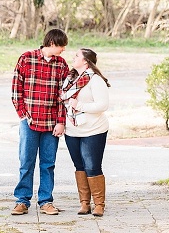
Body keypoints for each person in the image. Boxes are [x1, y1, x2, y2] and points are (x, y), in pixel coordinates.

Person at [11, 28, 70, 216]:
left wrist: (61, 122)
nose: (63, 50)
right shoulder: (26, 59)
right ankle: (22, 200)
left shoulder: (61, 65)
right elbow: (16, 89)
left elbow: (64, 96)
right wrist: (23, 114)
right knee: (26, 162)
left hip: (51, 123)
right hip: (29, 122)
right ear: (52, 43)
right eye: (62, 46)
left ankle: (46, 201)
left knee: (48, 163)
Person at [61, 48, 110, 217]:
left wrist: (79, 106)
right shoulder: (69, 79)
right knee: (79, 166)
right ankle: (84, 203)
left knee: (92, 166)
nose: (73, 58)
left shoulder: (95, 81)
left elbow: (102, 105)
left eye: (77, 56)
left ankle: (99, 205)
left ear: (86, 61)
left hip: (94, 129)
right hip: (72, 129)